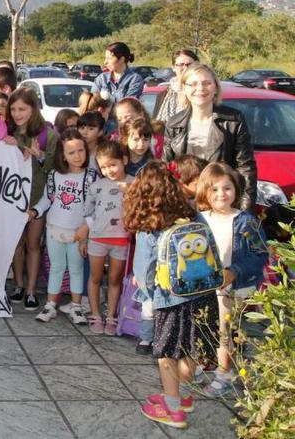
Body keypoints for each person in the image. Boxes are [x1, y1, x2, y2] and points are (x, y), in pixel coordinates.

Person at [124, 162, 226, 429]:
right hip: (203, 294)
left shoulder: (150, 224)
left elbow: (144, 270)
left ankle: (171, 408)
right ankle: (182, 396)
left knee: (167, 352)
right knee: (191, 348)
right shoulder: (192, 214)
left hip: (171, 300)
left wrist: (152, 295)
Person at [194, 163, 268, 397]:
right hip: (205, 287)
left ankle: (224, 374)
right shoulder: (199, 218)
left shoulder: (246, 221)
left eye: (227, 188)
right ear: (204, 191)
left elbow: (260, 254)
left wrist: (234, 271)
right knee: (207, 327)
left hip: (234, 287)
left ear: (236, 190)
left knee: (227, 331)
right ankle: (210, 363)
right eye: (214, 189)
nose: (221, 194)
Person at [163, 64, 256, 211]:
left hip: (222, 203)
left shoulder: (233, 120)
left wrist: (245, 212)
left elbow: (246, 169)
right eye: (193, 84)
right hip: (186, 207)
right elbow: (167, 171)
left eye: (207, 83)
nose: (200, 88)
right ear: (184, 88)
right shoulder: (173, 124)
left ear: (215, 88)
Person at [31, 129, 96, 324]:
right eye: (71, 152)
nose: (77, 156)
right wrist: (34, 211)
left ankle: (76, 307)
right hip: (54, 229)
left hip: (78, 232)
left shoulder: (91, 177)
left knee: (76, 268)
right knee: (56, 268)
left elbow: (95, 207)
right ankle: (51, 304)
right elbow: (47, 199)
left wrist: (86, 228)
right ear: (63, 156)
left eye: (81, 150)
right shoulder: (54, 175)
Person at [7, 87, 58, 310]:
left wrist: (40, 157)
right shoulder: (8, 132)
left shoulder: (49, 134)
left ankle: (31, 290)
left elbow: (56, 168)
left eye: (23, 109)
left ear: (34, 108)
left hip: (38, 198)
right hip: (12, 197)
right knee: (16, 243)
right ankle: (18, 285)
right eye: (14, 109)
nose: (18, 114)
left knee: (33, 243)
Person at [81, 140, 133, 334]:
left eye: (113, 164)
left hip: (121, 240)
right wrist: (86, 237)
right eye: (103, 167)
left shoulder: (134, 183)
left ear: (124, 160)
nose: (109, 170)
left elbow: (141, 209)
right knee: (95, 278)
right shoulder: (96, 186)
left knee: (114, 280)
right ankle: (95, 314)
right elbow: (87, 213)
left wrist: (130, 194)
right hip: (97, 239)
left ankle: (112, 316)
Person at [91, 42, 144, 110]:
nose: (105, 62)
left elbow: (127, 106)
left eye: (109, 58)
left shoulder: (135, 79)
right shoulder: (101, 78)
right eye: (105, 58)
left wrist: (108, 100)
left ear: (122, 59)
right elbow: (93, 105)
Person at [155, 49, 199, 122]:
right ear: (173, 67)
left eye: (189, 64)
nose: (185, 68)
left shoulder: (203, 92)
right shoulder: (163, 95)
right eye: (181, 64)